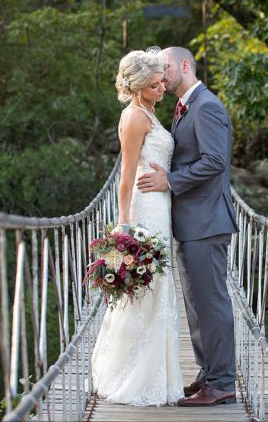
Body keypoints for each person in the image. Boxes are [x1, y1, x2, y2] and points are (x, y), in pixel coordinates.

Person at [137, 46, 238, 407]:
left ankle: (222, 383)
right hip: (192, 222)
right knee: (196, 304)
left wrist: (170, 181)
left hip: (207, 221)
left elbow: (215, 160)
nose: (160, 74)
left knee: (211, 303)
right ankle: (209, 373)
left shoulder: (207, 106)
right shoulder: (186, 106)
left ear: (184, 65)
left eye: (164, 67)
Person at [90, 49, 184, 406]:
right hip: (145, 209)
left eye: (162, 82)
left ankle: (158, 376)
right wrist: (124, 225)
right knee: (147, 288)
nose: (162, 88)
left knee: (157, 287)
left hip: (160, 204)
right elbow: (126, 174)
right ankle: (132, 376)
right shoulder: (133, 117)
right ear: (138, 86)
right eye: (154, 84)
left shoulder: (149, 111)